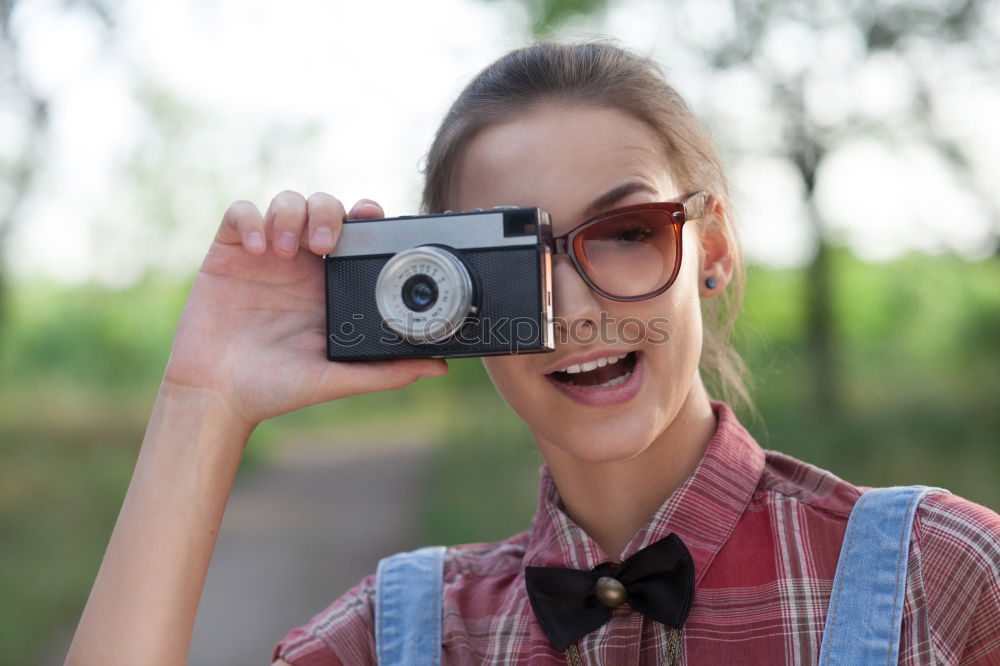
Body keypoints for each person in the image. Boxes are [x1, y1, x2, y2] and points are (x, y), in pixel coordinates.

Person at [66, 42, 1000, 666]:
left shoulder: (941, 574)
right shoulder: (401, 636)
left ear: (709, 254)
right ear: (445, 304)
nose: (577, 307)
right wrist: (202, 404)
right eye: (513, 266)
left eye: (627, 231)